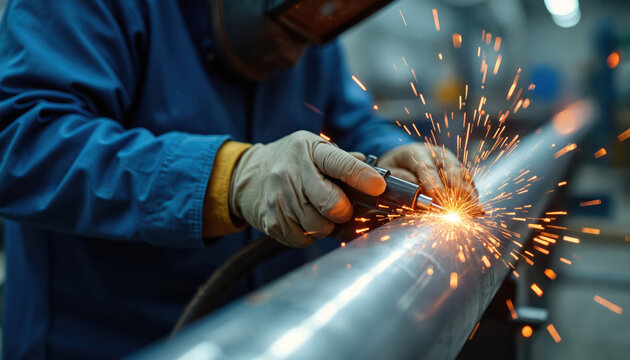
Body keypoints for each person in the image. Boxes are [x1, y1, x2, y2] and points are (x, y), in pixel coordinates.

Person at [0, 1, 473, 358]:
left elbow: (347, 119)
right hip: (111, 342)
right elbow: (20, 141)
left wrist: (391, 152)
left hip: (276, 335)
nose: (296, 53)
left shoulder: (310, 27)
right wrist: (230, 178)